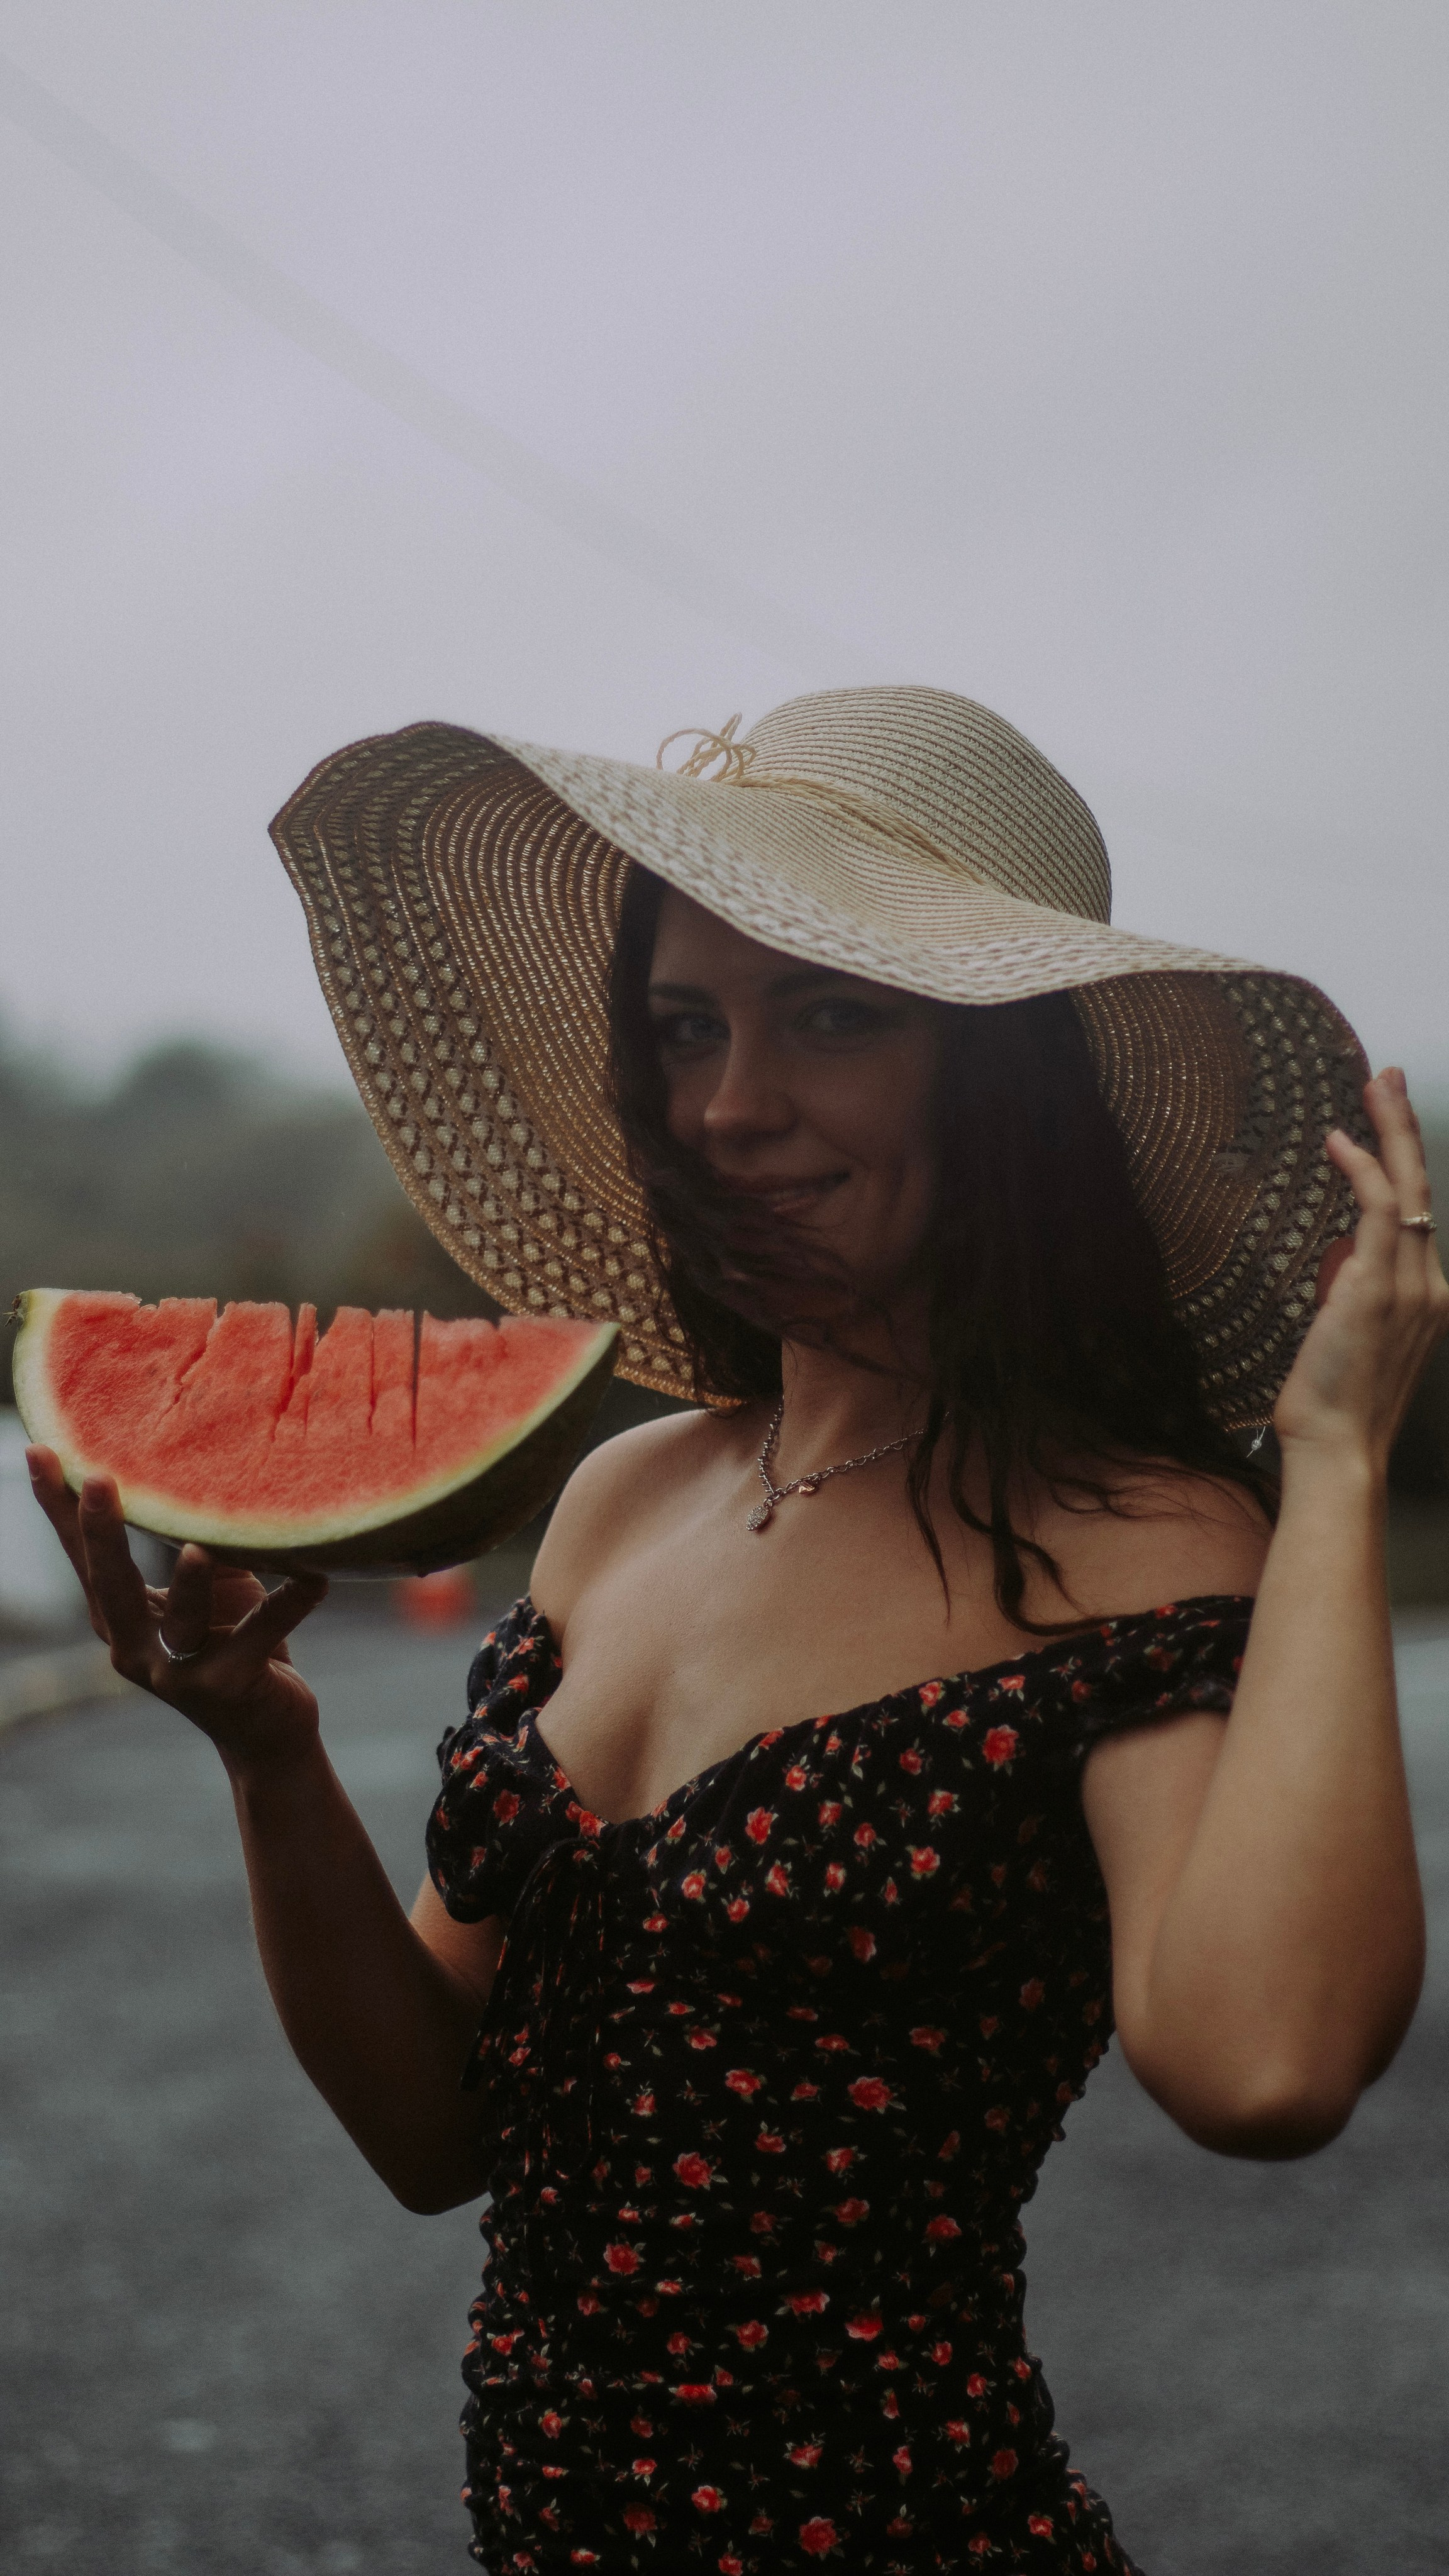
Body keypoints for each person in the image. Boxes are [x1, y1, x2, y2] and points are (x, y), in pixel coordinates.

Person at [28, 688, 1446, 2572]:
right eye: (685, 1027)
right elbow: (436, 2137)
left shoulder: (1134, 1538)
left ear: (999, 1076)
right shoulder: (620, 1502)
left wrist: (1333, 1465)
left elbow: (1266, 2070)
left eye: (834, 1018)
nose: (728, 1104)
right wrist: (270, 1752)